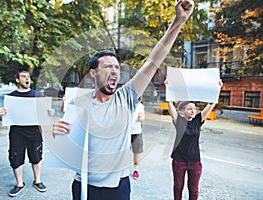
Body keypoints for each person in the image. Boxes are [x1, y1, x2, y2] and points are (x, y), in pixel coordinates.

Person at [53, 1, 194, 199]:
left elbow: (153, 61)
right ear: (93, 73)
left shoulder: (126, 97)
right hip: (84, 185)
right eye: (107, 67)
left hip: (118, 187)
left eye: (117, 68)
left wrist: (178, 21)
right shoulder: (78, 104)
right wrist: (57, 133)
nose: (114, 71)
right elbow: (67, 147)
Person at [164, 79, 223, 200]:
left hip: (195, 161)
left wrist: (217, 89)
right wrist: (168, 88)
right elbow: (170, 104)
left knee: (194, 190)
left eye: (194, 109)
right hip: (179, 160)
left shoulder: (197, 120)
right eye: (190, 109)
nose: (193, 111)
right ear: (182, 111)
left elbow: (211, 104)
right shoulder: (178, 121)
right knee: (178, 187)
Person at [0, 70, 53, 197]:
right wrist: (0, 115)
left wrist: (49, 113)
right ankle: (19, 184)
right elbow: (4, 118)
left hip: (34, 131)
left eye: (28, 77)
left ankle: (37, 181)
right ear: (17, 80)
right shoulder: (11, 97)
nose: (27, 79)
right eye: (23, 76)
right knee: (15, 157)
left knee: (36, 156)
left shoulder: (37, 95)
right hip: (16, 132)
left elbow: (45, 114)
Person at [131, 100, 145, 180]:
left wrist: (141, 117)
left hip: (136, 132)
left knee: (136, 153)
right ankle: (121, 170)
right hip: (125, 132)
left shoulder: (140, 106)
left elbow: (143, 117)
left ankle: (136, 170)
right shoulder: (125, 103)